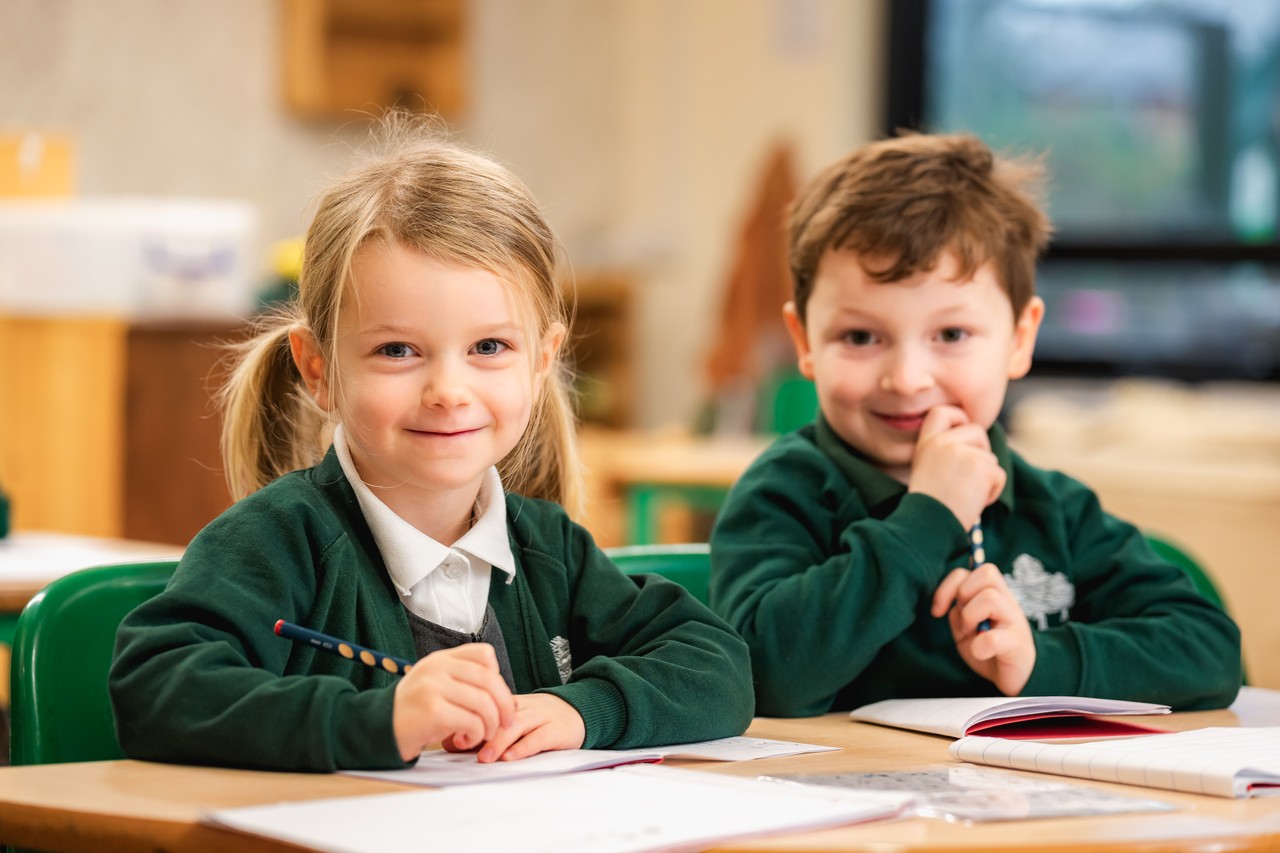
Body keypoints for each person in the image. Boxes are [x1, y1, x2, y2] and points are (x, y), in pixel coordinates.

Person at [110, 116, 754, 771]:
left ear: (542, 361)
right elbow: (156, 688)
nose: (448, 390)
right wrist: (379, 720)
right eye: (397, 350)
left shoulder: (550, 551)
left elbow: (716, 665)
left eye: (489, 347)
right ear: (318, 368)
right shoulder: (277, 542)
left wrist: (584, 710)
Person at [708, 132, 1241, 717]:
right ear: (805, 341)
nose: (907, 378)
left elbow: (1209, 652)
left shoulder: (1053, 509)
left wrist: (1038, 661)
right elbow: (766, 676)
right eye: (860, 336)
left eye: (951, 334)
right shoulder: (781, 495)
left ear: (1019, 339)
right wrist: (931, 516)